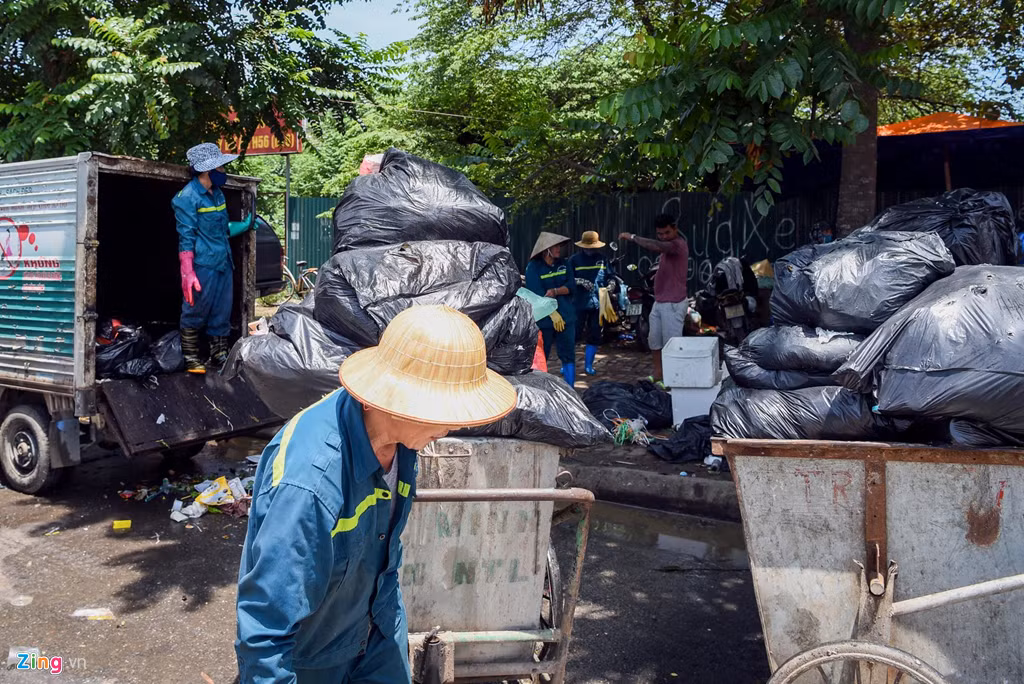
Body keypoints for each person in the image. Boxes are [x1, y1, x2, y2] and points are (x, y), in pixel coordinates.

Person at [236, 305, 516, 683]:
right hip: (314, 659)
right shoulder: (309, 485)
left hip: (379, 630)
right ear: (401, 401)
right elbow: (265, 628)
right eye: (447, 412)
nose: (454, 426)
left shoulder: (403, 441)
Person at [173, 142, 255, 374]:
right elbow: (186, 236)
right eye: (220, 167)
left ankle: (219, 354)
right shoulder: (187, 198)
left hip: (223, 261)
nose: (223, 171)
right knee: (196, 308)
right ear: (208, 170)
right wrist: (187, 272)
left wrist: (245, 225)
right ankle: (191, 357)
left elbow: (222, 229)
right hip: (203, 265)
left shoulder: (217, 194)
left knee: (222, 308)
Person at [619, 213, 689, 387]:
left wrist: (633, 237)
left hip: (673, 303)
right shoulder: (666, 249)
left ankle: (672, 380)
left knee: (671, 344)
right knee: (654, 340)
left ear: (675, 229)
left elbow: (656, 245)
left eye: (667, 232)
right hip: (660, 301)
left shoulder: (677, 245)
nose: (663, 237)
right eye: (660, 234)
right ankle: (658, 374)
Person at [524, 232, 577, 387]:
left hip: (566, 317)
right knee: (541, 354)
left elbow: (572, 286)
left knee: (568, 354)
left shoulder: (564, 264)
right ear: (546, 249)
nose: (559, 249)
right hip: (544, 320)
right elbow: (536, 294)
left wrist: (556, 291)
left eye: (559, 246)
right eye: (555, 246)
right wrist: (551, 312)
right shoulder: (533, 267)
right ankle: (540, 388)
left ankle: (571, 388)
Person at [568, 231, 610, 376]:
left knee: (595, 333)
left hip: (598, 302)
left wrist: (611, 284)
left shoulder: (603, 259)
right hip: (578, 303)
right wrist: (579, 281)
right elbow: (566, 279)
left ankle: (588, 365)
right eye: (588, 247)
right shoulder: (574, 260)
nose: (590, 250)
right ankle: (568, 363)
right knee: (574, 334)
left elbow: (610, 275)